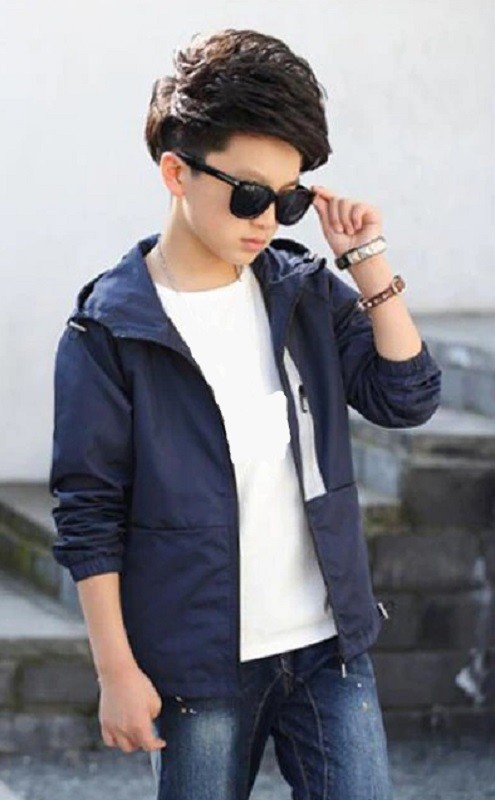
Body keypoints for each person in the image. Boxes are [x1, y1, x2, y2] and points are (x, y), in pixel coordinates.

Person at [49, 27, 442, 800]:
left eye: (287, 199)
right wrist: (116, 671)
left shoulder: (301, 292)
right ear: (176, 172)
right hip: (199, 666)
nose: (267, 219)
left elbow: (406, 397)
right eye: (250, 193)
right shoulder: (110, 330)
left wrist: (366, 261)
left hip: (328, 649)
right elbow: (88, 512)